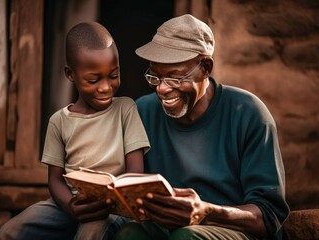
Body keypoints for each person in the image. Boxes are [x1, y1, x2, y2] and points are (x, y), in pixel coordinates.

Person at [115, 14, 290, 240]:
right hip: (167, 229)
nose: (162, 89)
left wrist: (205, 212)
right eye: (155, 77)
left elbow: (268, 217)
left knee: (186, 237)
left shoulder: (248, 113)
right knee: (129, 235)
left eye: (175, 78)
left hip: (234, 230)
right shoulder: (143, 112)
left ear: (206, 68)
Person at [0, 22, 150, 240]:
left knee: (91, 232)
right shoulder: (59, 121)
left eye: (113, 75)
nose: (105, 87)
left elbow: (135, 170)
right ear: (70, 74)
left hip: (112, 209)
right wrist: (70, 206)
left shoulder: (125, 109)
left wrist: (113, 199)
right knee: (9, 232)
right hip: (70, 204)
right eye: (93, 80)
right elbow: (55, 180)